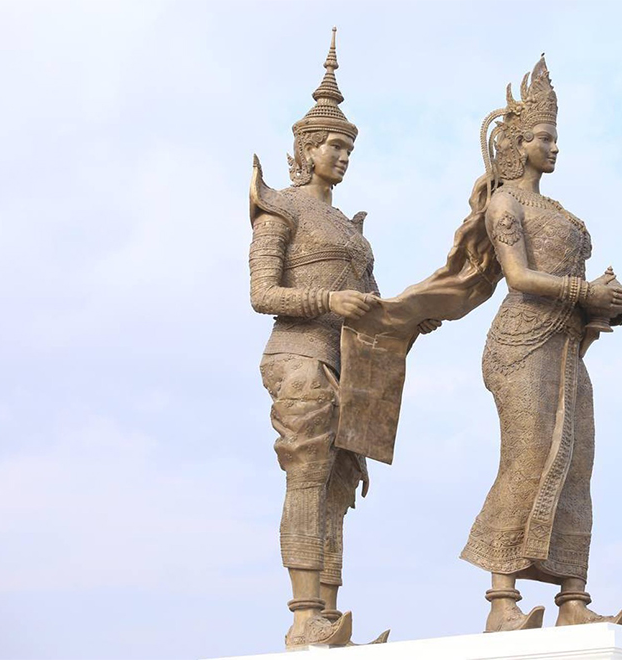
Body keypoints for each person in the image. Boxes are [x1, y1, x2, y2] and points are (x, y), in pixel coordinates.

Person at [458, 56, 622, 632]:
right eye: (544, 137)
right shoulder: (505, 203)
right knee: (528, 456)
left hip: (566, 346)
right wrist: (584, 291)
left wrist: (603, 305)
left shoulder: (561, 212)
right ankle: (501, 599)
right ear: (517, 143)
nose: (554, 147)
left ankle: (573, 599)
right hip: (520, 344)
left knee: (577, 461)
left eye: (555, 138)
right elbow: (518, 277)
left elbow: (568, 285)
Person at [247, 29, 386, 650]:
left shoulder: (351, 232)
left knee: (337, 486)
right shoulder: (279, 208)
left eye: (349, 147)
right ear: (306, 147)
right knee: (306, 476)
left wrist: (417, 312)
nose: (343, 155)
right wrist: (328, 301)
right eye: (333, 145)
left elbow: (376, 305)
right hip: (298, 356)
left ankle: (329, 617)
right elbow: (262, 295)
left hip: (348, 366)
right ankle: (304, 615)